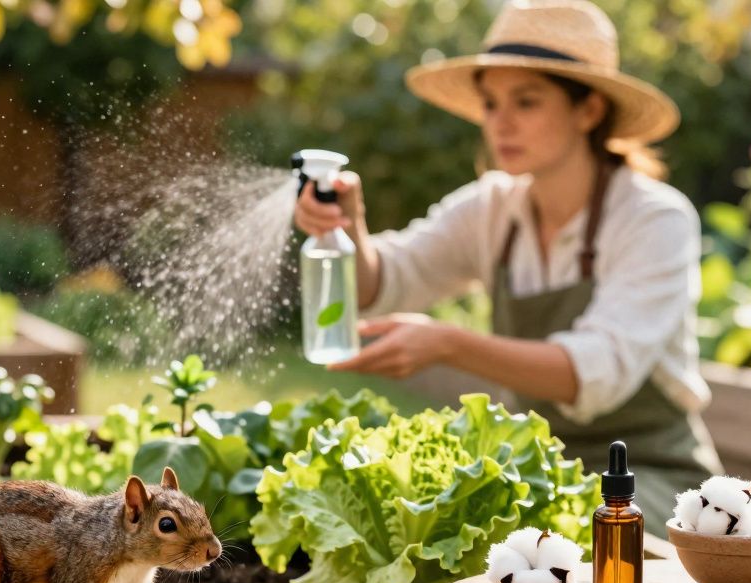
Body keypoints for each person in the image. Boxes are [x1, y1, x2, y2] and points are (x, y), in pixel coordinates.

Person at [293, 0, 722, 530]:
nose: (501, 123)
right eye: (491, 104)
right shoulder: (493, 208)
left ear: (588, 111)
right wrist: (346, 228)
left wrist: (448, 344)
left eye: (526, 101)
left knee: (532, 538)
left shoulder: (654, 218)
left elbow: (594, 373)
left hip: (650, 481)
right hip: (540, 475)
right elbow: (383, 283)